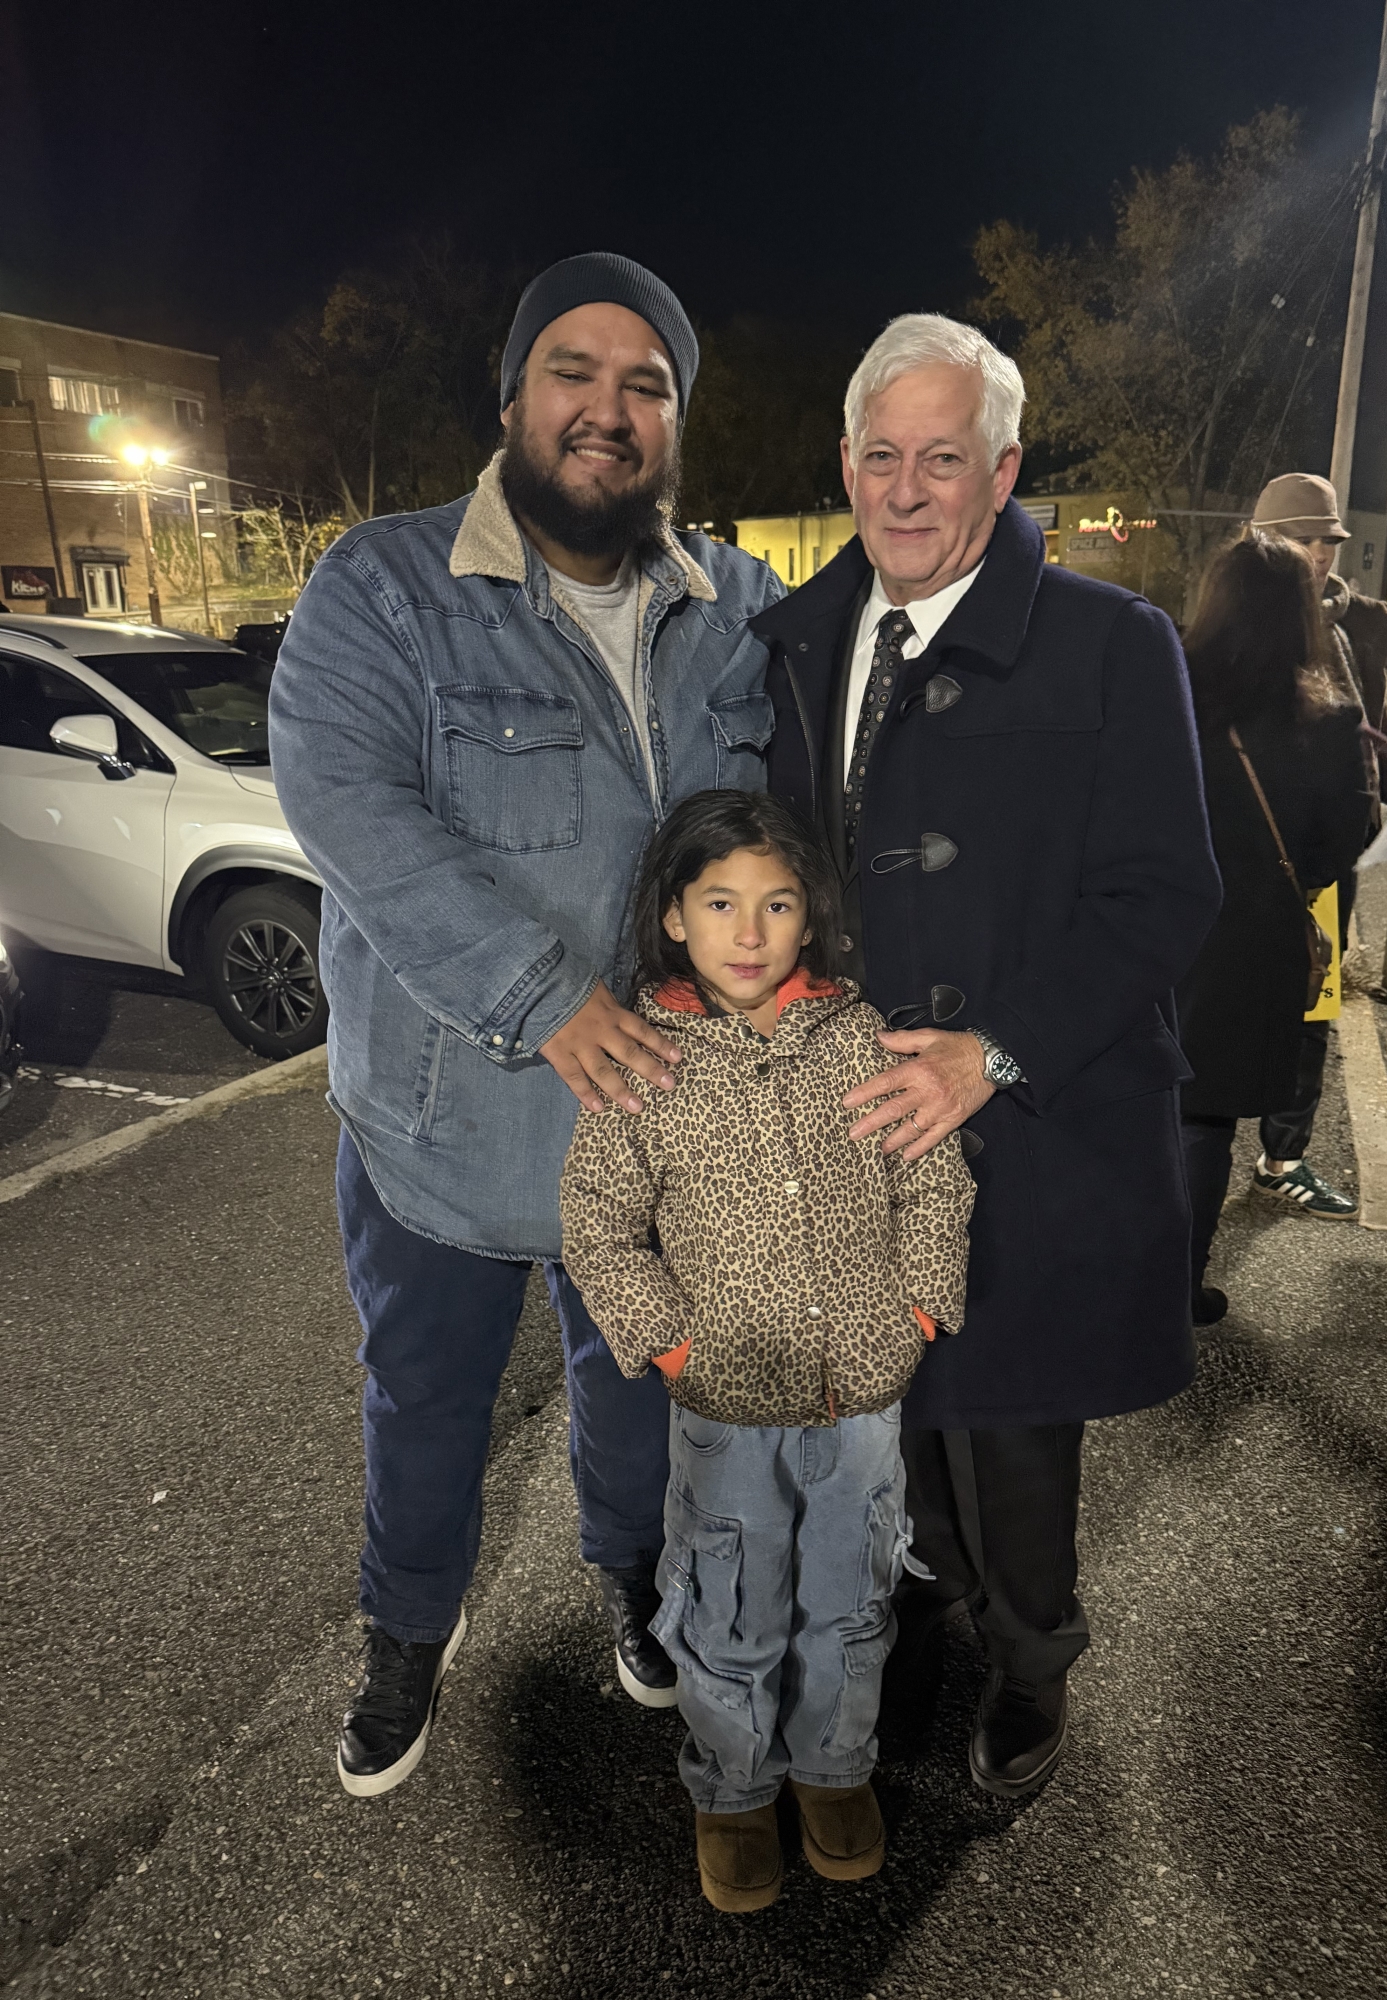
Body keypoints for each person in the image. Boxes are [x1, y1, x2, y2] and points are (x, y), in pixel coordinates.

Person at [268, 253, 783, 1797]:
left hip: (653, 1133)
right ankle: (408, 1630)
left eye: (647, 384)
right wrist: (540, 994)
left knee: (637, 1395)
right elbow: (348, 810)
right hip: (446, 1130)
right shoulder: (386, 586)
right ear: (511, 399)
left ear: (676, 424)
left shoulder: (738, 605)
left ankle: (630, 1578)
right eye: (574, 370)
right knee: (427, 1406)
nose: (607, 409)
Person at [753, 314, 1222, 1800]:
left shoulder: (1114, 642)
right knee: (885, 1400)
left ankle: (1032, 1659)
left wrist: (992, 1053)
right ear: (845, 462)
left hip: (1029, 1114)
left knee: (1016, 1428)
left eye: (943, 459)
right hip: (853, 1115)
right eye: (880, 456)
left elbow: (1166, 896)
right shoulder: (798, 637)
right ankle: (933, 1596)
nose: (905, 490)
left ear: (1004, 471)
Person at [560, 789, 974, 1910]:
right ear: (674, 916)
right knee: (731, 1604)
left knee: (850, 1598)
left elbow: (933, 1181)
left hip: (862, 1402)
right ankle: (734, 1787)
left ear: (810, 915)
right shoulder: (646, 1061)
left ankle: (834, 1768)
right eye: (720, 902)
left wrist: (918, 1312)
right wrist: (672, 1345)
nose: (750, 932)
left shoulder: (859, 1038)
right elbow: (598, 1224)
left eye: (777, 903)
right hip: (724, 1406)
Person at [1174, 529, 1375, 1322]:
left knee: (1132, 1109)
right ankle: (1177, 1290)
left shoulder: (1167, 695)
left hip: (1153, 932)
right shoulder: (1326, 719)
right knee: (1204, 1123)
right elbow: (1337, 848)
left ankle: (1105, 1274)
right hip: (1252, 950)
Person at [1245, 473, 1387, 1220]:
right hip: (1254, 858)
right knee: (1224, 1001)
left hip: (1326, 865)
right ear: (1265, 542)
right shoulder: (1238, 631)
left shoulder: (1346, 632)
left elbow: (1373, 736)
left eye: (1330, 540)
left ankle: (1282, 1157)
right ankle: (1188, 1152)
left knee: (1313, 1006)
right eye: (1305, 539)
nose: (1321, 553)